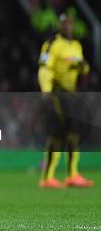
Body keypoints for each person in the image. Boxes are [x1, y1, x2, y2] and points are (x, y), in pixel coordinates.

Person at [38, 13, 93, 188]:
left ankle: (72, 175)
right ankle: (48, 177)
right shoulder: (52, 44)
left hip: (73, 95)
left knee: (74, 134)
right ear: (60, 26)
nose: (67, 26)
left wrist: (83, 66)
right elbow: (45, 69)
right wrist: (46, 91)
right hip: (56, 93)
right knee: (57, 134)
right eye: (64, 24)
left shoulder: (76, 45)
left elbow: (84, 68)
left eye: (70, 23)